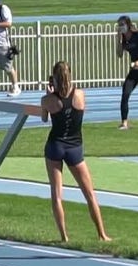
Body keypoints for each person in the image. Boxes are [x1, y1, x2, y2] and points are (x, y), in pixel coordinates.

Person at [28, 60, 111, 242]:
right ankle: (101, 234)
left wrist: (50, 95)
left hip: (55, 146)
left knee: (57, 194)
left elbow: (44, 118)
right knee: (89, 193)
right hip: (75, 147)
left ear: (54, 79)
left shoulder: (48, 100)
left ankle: (64, 236)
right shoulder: (80, 95)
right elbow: (79, 112)